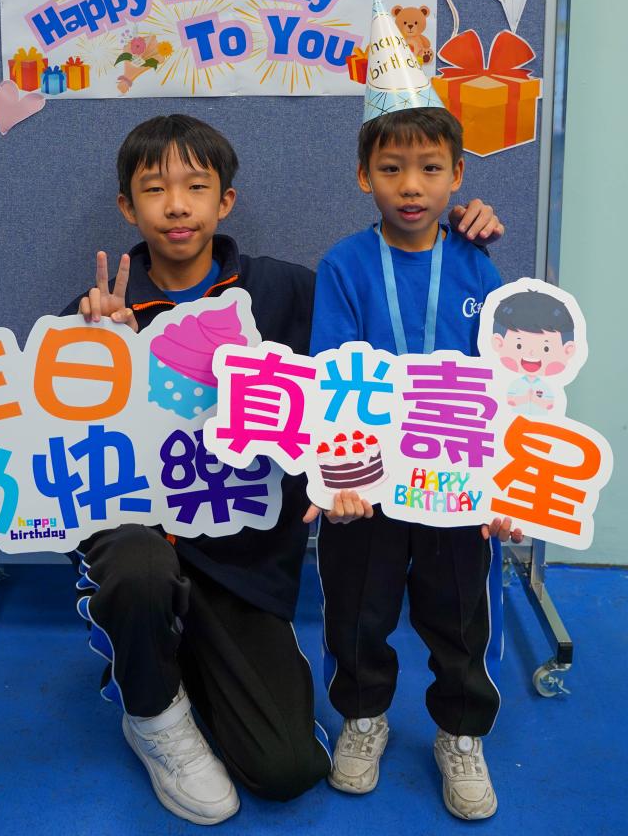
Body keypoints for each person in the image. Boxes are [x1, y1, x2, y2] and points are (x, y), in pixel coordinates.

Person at [62, 113, 504, 824]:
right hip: (146, 542)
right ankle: (151, 710)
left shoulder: (285, 291)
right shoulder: (97, 312)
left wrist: (454, 230)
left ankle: (187, 655)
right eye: (154, 189)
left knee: (288, 768)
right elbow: (59, 454)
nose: (176, 206)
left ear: (225, 200)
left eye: (195, 186)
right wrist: (96, 350)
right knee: (138, 571)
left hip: (241, 564)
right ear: (126, 206)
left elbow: (371, 343)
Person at [309, 7, 521, 821]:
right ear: (362, 176)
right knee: (355, 609)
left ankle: (459, 733)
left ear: (457, 174)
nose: (410, 186)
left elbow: (506, 378)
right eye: (391, 168)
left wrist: (504, 483)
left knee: (459, 614)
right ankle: (362, 717)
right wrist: (342, 474)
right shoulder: (343, 264)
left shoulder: (476, 258)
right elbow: (332, 375)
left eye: (429, 168)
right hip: (367, 479)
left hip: (456, 479)